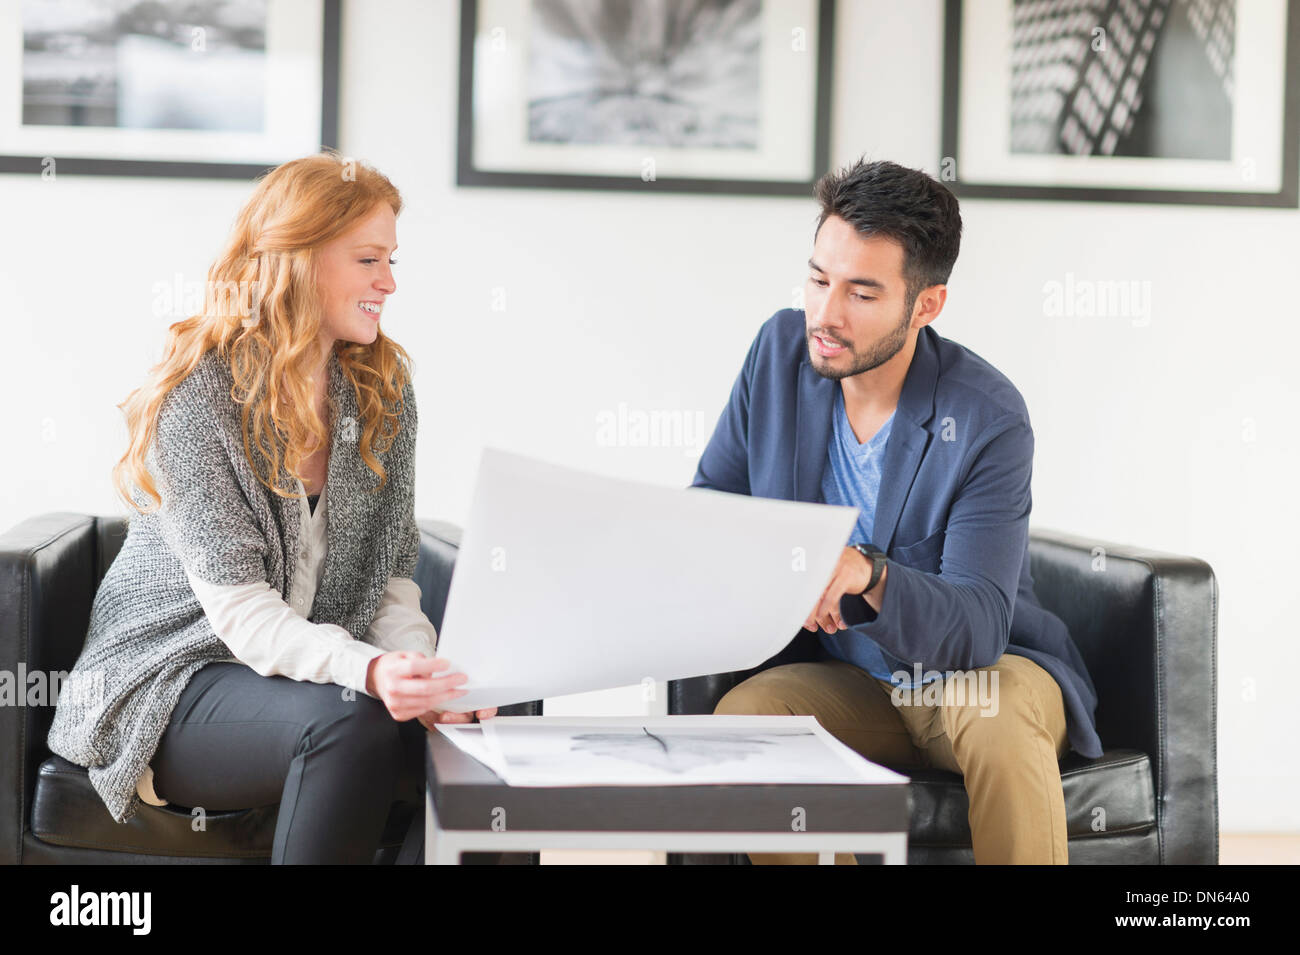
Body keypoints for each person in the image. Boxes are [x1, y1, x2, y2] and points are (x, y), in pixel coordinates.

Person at [46, 151, 493, 864]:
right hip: (178, 679)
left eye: (392, 260)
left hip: (308, 674)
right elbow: (243, 616)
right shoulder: (201, 398)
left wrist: (420, 673)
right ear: (301, 259)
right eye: (370, 259)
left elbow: (388, 581)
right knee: (353, 724)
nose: (390, 281)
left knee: (488, 731)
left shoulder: (380, 389)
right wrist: (372, 675)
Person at [694, 158, 1102, 865]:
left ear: (927, 304)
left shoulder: (986, 416)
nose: (825, 313)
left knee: (997, 716)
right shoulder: (778, 353)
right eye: (819, 278)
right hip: (854, 681)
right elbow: (713, 510)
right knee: (745, 724)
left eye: (862, 292)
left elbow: (977, 626)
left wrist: (865, 572)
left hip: (983, 673)